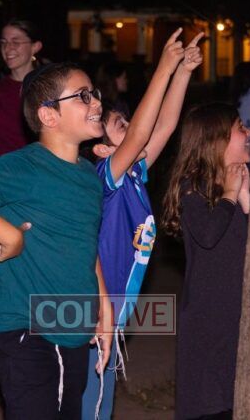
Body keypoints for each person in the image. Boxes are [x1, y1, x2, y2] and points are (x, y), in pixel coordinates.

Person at [0, 62, 113, 419]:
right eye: (82, 96)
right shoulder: (26, 165)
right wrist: (9, 234)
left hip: (72, 322)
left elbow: (84, 245)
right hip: (24, 325)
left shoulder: (89, 177)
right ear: (48, 115)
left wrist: (104, 306)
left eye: (94, 93)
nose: (96, 102)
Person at [80, 29, 203, 419]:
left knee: (101, 401)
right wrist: (163, 67)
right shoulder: (106, 177)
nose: (133, 125)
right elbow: (140, 135)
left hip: (113, 309)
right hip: (89, 309)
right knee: (88, 401)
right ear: (103, 148)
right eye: (120, 124)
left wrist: (183, 72)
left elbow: (163, 127)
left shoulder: (134, 173)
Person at [163, 102, 250, 420]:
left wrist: (246, 200)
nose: (249, 132)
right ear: (217, 140)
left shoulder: (238, 188)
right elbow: (209, 234)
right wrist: (230, 195)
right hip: (208, 319)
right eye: (240, 128)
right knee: (209, 403)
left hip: (236, 314)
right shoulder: (194, 189)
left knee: (233, 399)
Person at [0, 19, 43, 160]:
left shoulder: (50, 88)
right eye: (3, 42)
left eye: (15, 42)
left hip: (42, 168)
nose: (7, 48)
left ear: (35, 47)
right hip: (5, 169)